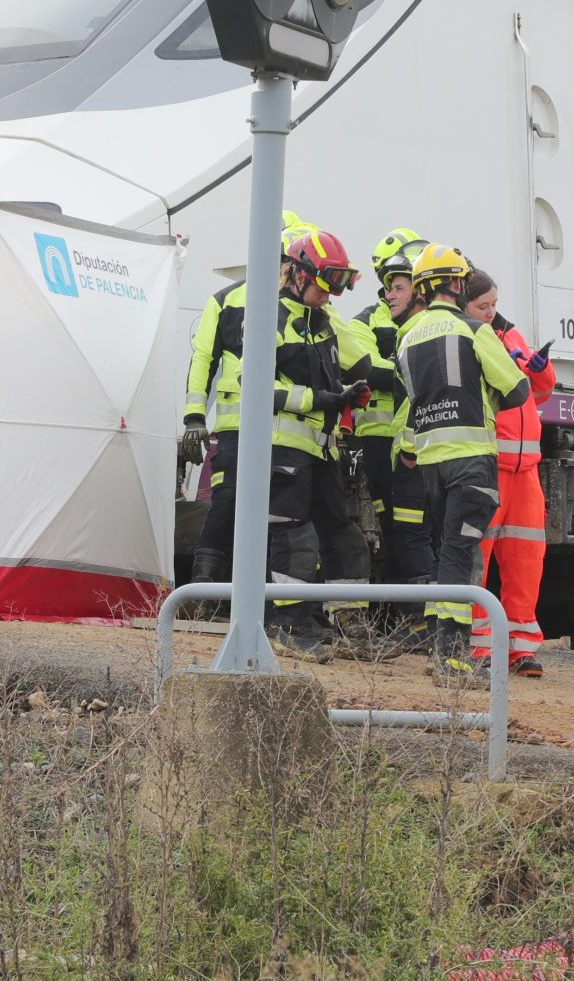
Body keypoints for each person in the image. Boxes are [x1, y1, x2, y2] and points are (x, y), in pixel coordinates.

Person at [397, 245, 533, 679]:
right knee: (460, 553)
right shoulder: (474, 330)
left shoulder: (408, 335)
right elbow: (517, 390)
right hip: (472, 459)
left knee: (446, 551)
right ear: (457, 284)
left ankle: (444, 648)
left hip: (432, 460)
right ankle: (451, 657)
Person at [262, 228, 379, 661]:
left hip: (324, 450)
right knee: (295, 539)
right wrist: (322, 400)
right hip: (284, 450)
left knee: (345, 537)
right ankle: (287, 626)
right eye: (324, 285)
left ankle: (350, 627)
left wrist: (349, 394)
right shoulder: (268, 318)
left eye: (337, 286)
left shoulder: (323, 323)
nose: (331, 296)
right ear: (296, 274)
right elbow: (251, 385)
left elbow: (330, 377)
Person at [465, 271, 558, 678]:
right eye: (482, 306)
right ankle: (479, 646)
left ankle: (521, 648)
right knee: (477, 558)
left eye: (494, 305)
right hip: (489, 462)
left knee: (527, 559)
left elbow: (540, 392)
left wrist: (539, 368)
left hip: (526, 468)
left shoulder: (509, 334)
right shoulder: (467, 336)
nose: (491, 313)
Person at [355, 231, 433, 588]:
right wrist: (404, 367)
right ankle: (399, 613)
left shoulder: (429, 323)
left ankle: (413, 614)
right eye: (392, 283)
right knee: (395, 529)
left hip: (416, 443)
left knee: (416, 529)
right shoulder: (366, 320)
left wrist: (400, 366)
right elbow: (366, 369)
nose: (393, 292)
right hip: (381, 442)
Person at [180, 272, 251, 585]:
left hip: (289, 429)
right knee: (226, 503)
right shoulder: (226, 300)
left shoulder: (307, 304)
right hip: (236, 426)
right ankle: (202, 592)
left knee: (278, 514)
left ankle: (270, 605)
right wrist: (194, 417)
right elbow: (204, 358)